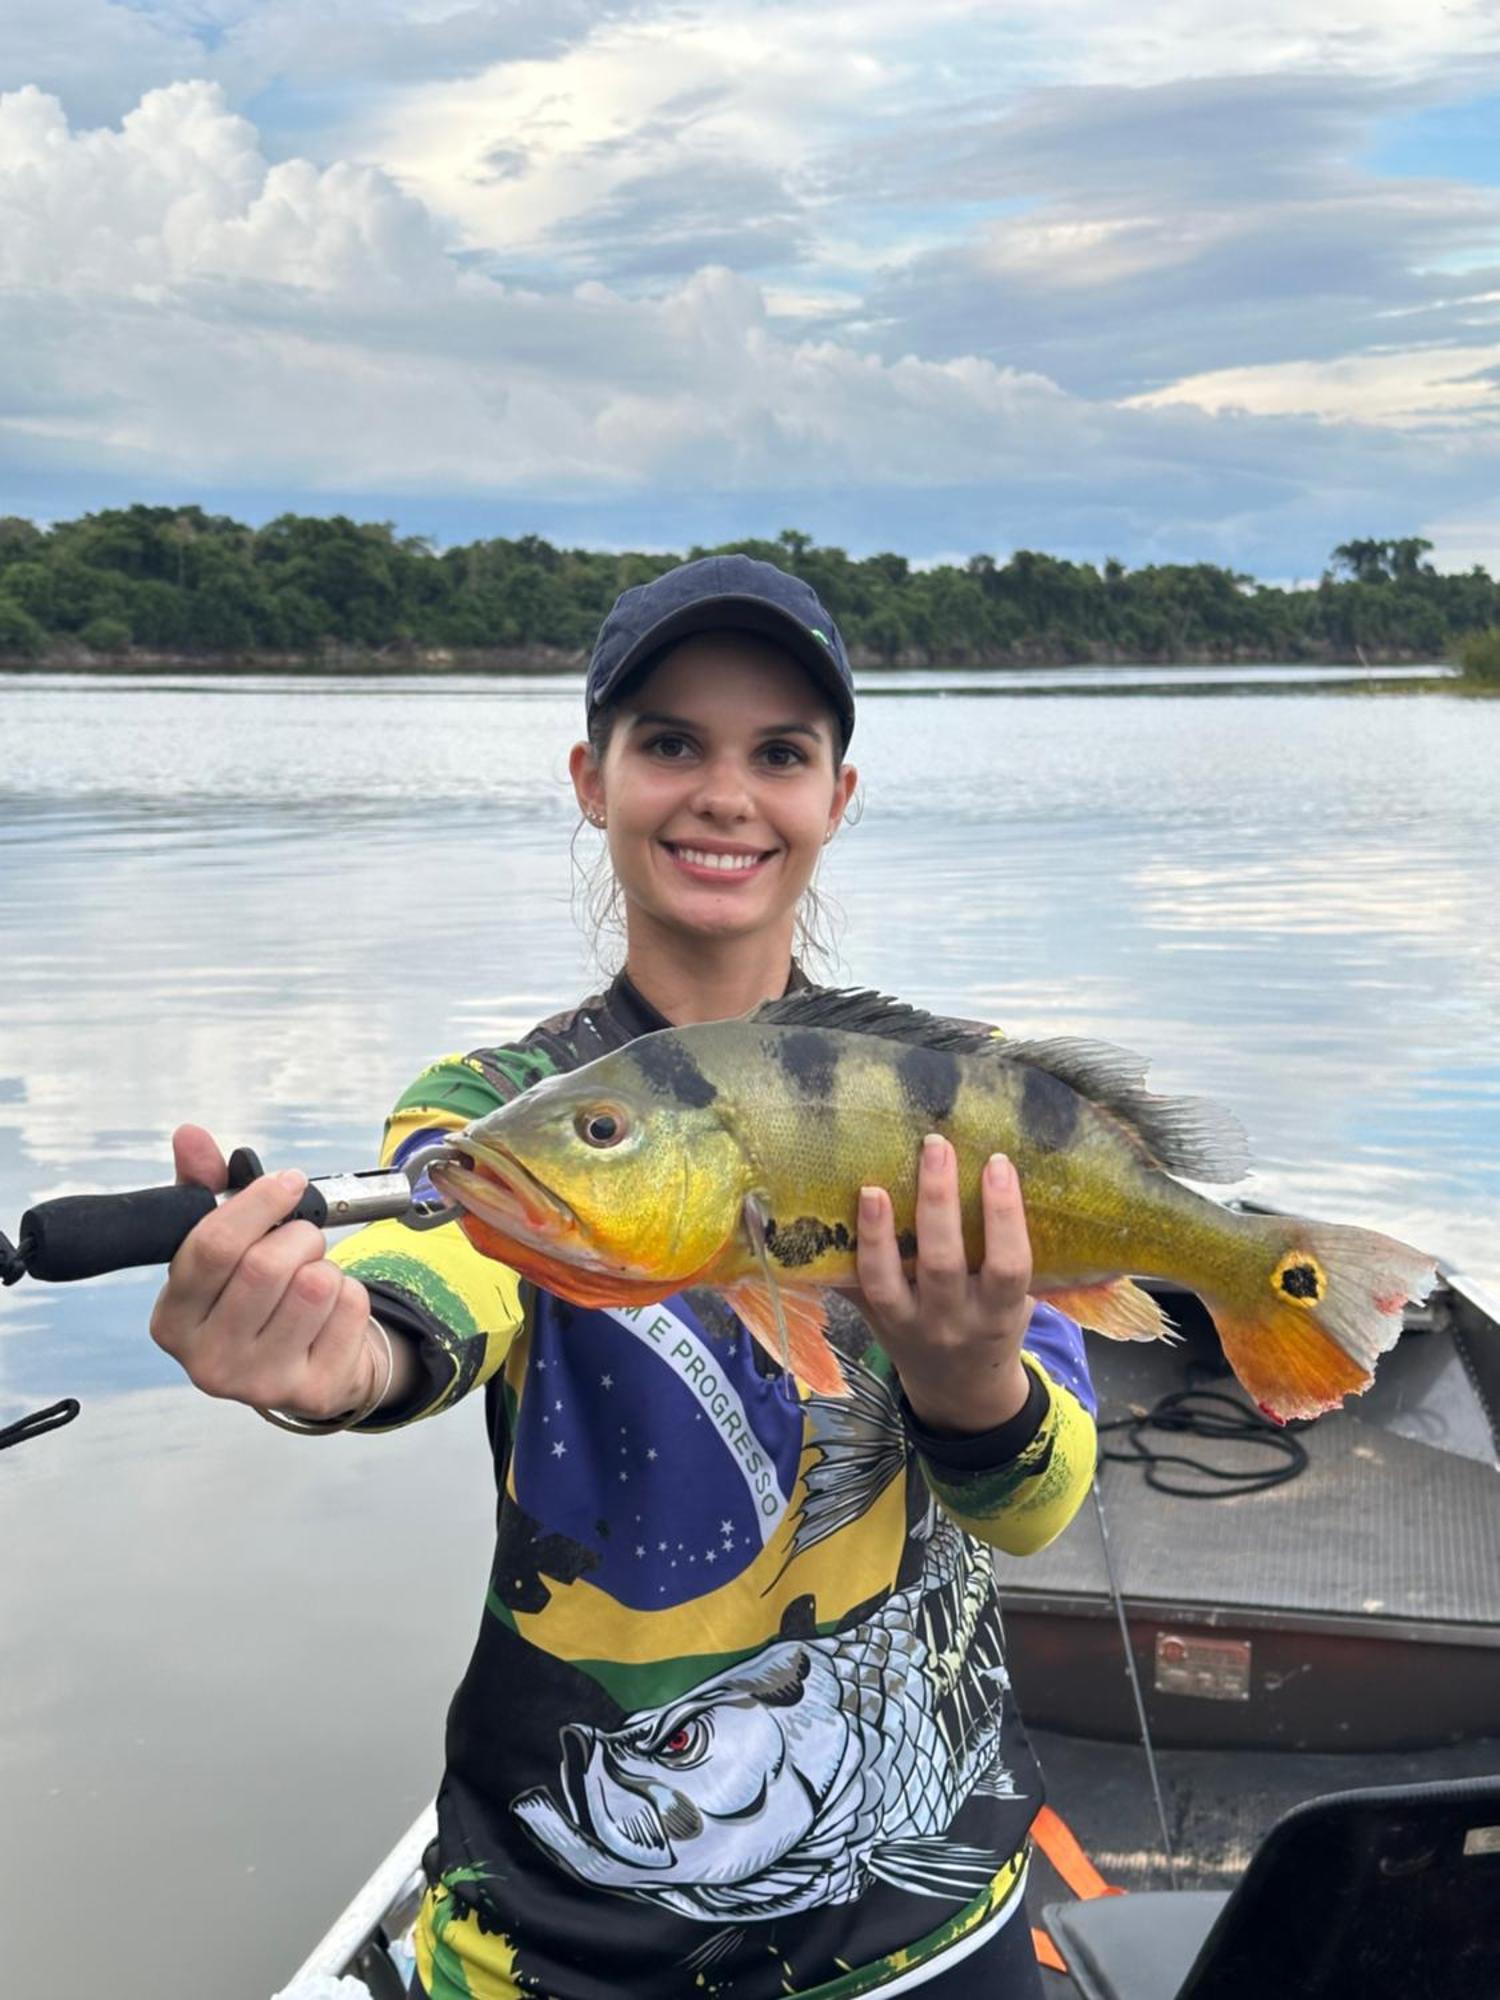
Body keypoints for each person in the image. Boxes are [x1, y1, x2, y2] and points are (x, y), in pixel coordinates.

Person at [150, 555, 1099, 1999]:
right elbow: (437, 1271)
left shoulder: (939, 1109)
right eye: (670, 743)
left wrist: (972, 1380)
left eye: (779, 753)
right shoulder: (499, 1109)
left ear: (836, 800)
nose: (724, 794)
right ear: (592, 778)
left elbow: (1039, 1511)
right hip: (565, 1948)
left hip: (926, 1930)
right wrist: (351, 1359)